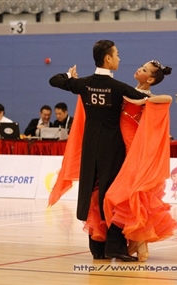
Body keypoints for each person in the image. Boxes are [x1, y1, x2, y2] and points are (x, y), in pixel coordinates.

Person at [48, 40, 159, 262]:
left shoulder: (84, 84)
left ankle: (96, 248)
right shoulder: (118, 88)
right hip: (112, 149)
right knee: (113, 197)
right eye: (117, 55)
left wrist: (70, 77)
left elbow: (54, 80)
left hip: (90, 148)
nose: (119, 58)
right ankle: (114, 247)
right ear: (107, 59)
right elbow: (147, 99)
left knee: (92, 193)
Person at [103, 60, 177, 262]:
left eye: (144, 70)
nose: (139, 69)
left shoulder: (147, 96)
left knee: (129, 193)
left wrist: (143, 101)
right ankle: (137, 243)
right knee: (132, 195)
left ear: (150, 79)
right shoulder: (130, 90)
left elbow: (168, 98)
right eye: (141, 67)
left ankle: (139, 243)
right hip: (122, 147)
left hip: (134, 148)